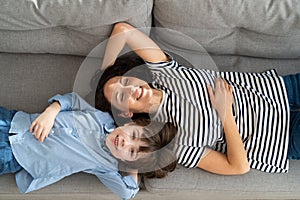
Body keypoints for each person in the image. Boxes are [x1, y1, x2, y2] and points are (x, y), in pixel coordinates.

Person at [96, 22, 300, 175]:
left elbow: (123, 30)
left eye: (124, 81)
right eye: (121, 96)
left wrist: (104, 72)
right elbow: (239, 166)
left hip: (283, 89)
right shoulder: (172, 142)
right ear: (126, 113)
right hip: (282, 136)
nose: (130, 89)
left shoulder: (164, 72)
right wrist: (225, 113)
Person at [0, 92, 177, 199]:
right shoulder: (102, 117)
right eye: (133, 135)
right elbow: (73, 100)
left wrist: (134, 166)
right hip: (13, 121)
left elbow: (127, 192)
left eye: (131, 151)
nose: (125, 142)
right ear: (130, 124)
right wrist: (51, 111)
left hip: (14, 156)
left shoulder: (106, 166)